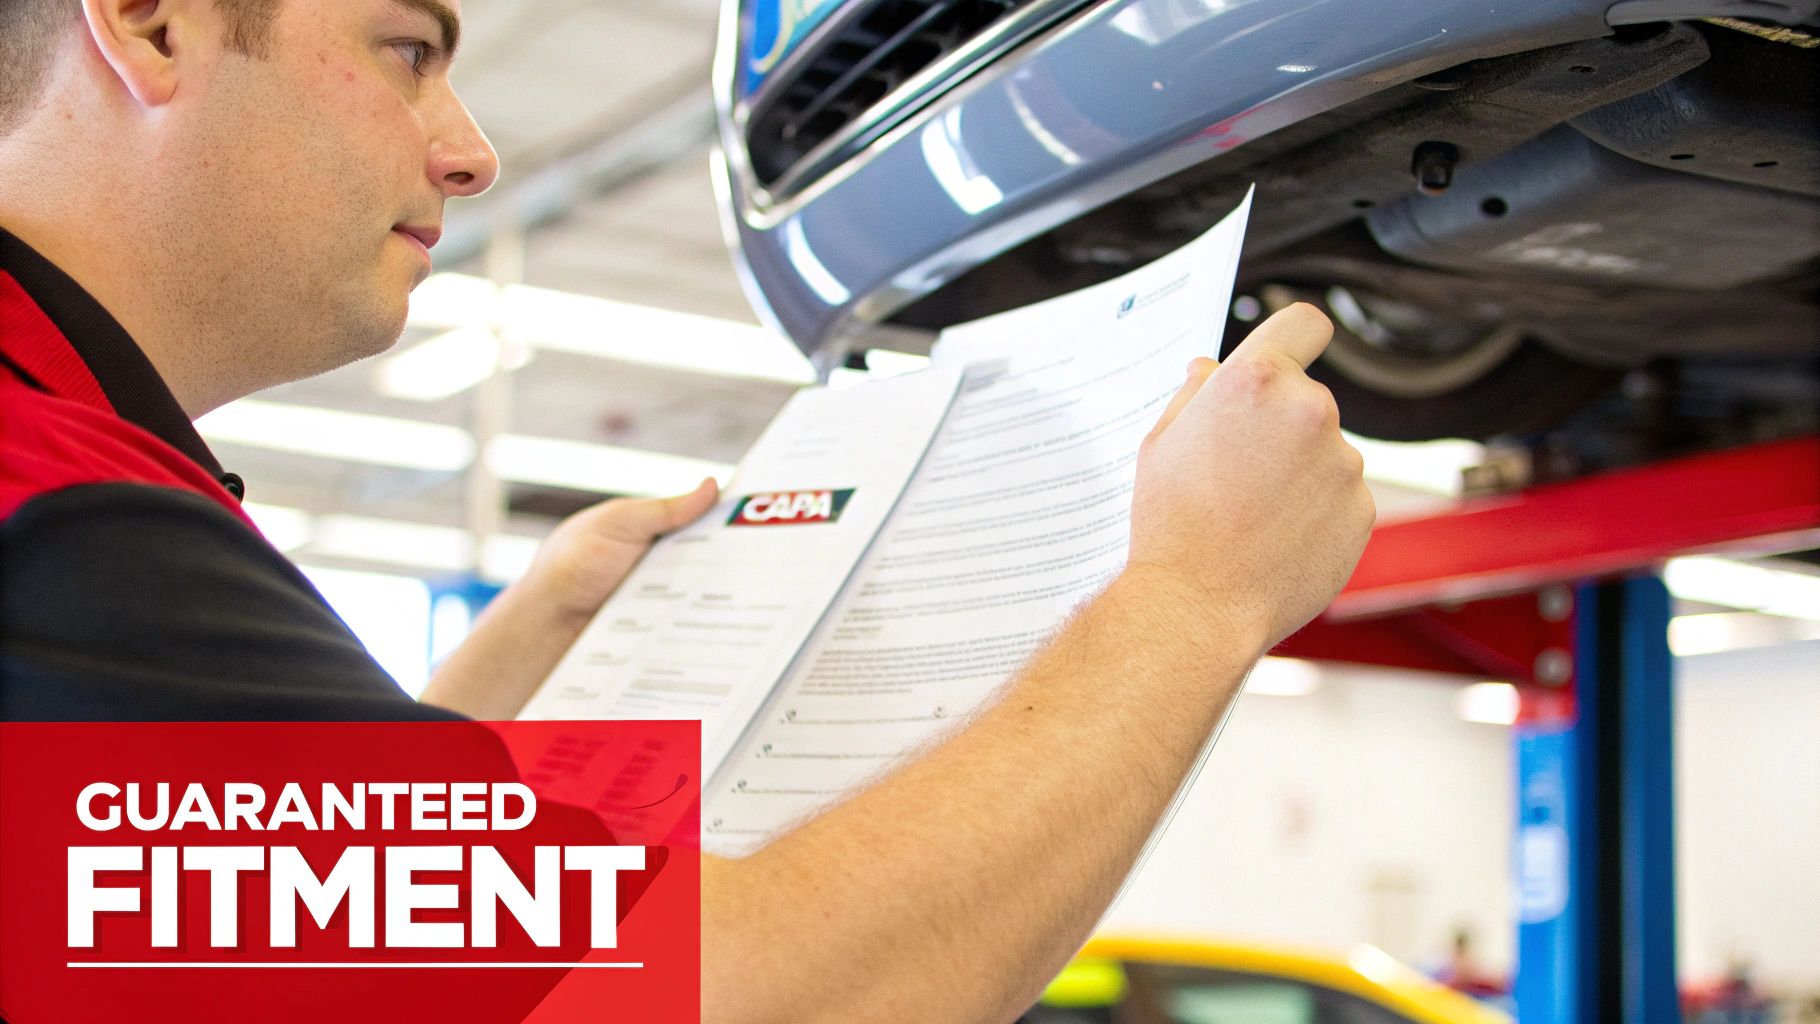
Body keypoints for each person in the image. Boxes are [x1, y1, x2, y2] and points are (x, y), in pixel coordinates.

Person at [0, 1, 1374, 1020]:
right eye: (407, 50)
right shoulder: (59, 521)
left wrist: (537, 639)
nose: (469, 154)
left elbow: (277, 921)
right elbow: (715, 996)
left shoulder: (70, 494)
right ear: (150, 21)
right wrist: (1194, 600)